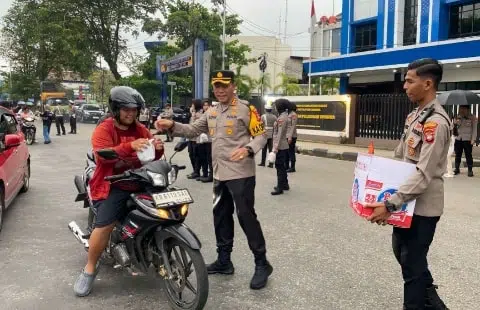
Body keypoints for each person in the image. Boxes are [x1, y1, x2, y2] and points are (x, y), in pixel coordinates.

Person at [155, 70, 273, 290]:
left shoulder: (246, 109)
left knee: (246, 217)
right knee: (220, 217)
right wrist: (171, 126)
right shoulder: (211, 112)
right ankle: (224, 261)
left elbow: (261, 135)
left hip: (241, 175)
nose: (219, 90)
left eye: (224, 85)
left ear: (233, 86)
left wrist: (248, 149)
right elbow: (191, 130)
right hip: (219, 175)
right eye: (216, 86)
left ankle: (261, 263)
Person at [365, 58, 450, 310]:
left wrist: (390, 205)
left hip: (422, 208)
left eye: (409, 81)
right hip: (406, 205)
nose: (404, 86)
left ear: (427, 83)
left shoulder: (436, 122)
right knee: (407, 258)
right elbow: (401, 159)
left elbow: (423, 174)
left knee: (412, 269)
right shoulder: (415, 116)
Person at [73, 86, 164, 297]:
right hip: (111, 183)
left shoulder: (141, 128)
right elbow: (102, 156)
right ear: (116, 109)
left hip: (139, 180)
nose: (130, 113)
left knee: (161, 210)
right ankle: (89, 270)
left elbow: (152, 156)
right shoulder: (105, 129)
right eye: (126, 109)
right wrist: (130, 146)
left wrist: (158, 148)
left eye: (134, 109)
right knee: (104, 226)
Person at [271, 99, 290, 195]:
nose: (274, 108)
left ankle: (280, 187)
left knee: (279, 166)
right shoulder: (283, 116)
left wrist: (275, 147)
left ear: (279, 107)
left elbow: (279, 134)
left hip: (280, 146)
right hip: (283, 145)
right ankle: (285, 184)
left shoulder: (282, 118)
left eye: (275, 106)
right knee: (281, 166)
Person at [453, 105, 477, 177]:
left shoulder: (472, 117)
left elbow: (474, 129)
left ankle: (470, 170)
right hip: (459, 138)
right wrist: (455, 122)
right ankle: (457, 168)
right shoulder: (458, 116)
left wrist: (473, 139)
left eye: (463, 109)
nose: (461, 110)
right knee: (458, 154)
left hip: (467, 139)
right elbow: (455, 127)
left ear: (467, 109)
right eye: (460, 108)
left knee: (468, 155)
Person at [186, 99, 203, 180]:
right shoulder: (193, 113)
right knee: (191, 154)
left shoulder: (200, 113)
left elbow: (195, 125)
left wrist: (193, 114)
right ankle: (194, 170)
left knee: (197, 155)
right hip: (190, 138)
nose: (191, 106)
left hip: (197, 138)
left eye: (193, 104)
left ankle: (197, 172)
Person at [197, 99, 213, 183]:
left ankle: (211, 175)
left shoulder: (212, 114)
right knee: (203, 157)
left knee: (209, 158)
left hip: (209, 139)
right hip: (202, 139)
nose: (205, 107)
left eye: (206, 105)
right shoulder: (202, 114)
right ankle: (204, 174)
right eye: (204, 105)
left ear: (210, 106)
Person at [258, 103, 277, 168]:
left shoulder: (263, 116)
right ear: (271, 110)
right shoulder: (274, 117)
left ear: (265, 109)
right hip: (272, 135)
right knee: (271, 150)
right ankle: (271, 163)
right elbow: (276, 126)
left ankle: (263, 162)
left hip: (265, 134)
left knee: (264, 149)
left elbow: (261, 125)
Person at [286, 102, 298, 173]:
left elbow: (292, 127)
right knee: (287, 151)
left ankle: (293, 167)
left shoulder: (293, 115)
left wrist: (290, 137)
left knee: (291, 151)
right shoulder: (289, 114)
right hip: (287, 135)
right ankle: (287, 166)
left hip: (292, 136)